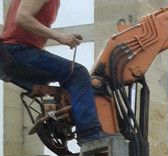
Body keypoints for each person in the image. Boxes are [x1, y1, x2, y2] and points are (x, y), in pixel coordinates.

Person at [1, 0, 104, 143]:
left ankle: (54, 120)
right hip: (18, 51)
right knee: (78, 74)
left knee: (49, 88)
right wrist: (59, 36)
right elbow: (22, 18)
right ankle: (90, 133)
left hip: (15, 53)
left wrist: (64, 36)